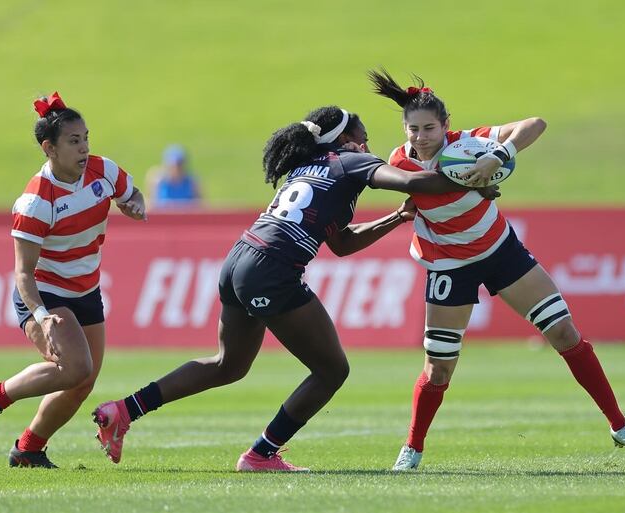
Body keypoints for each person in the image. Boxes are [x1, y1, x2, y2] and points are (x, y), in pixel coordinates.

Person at [91, 105, 499, 472]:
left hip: (240, 258)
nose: (368, 145)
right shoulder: (349, 160)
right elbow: (413, 182)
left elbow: (340, 245)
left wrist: (396, 219)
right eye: (363, 137)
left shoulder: (309, 167)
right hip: (272, 268)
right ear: (343, 140)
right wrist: (474, 176)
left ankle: (123, 411)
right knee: (332, 370)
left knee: (228, 365)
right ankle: (261, 454)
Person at [368, 69, 625, 471]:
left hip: (501, 251)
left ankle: (619, 424)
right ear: (404, 129)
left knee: (564, 332)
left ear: (446, 126)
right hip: (448, 265)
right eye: (413, 129)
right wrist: (469, 186)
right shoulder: (399, 163)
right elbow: (415, 192)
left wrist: (498, 155)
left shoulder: (468, 144)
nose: (421, 136)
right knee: (439, 369)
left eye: (429, 127)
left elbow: (535, 124)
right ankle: (413, 448)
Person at [0, 92, 147, 468]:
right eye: (74, 141)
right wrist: (41, 316)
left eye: (86, 138)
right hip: (44, 293)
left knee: (82, 382)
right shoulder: (35, 202)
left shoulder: (103, 171)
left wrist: (134, 204)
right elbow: (23, 274)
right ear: (50, 149)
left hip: (86, 290)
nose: (84, 148)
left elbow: (131, 192)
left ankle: (28, 450)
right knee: (75, 367)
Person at [146, 144, 202, 210]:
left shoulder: (192, 183)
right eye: (173, 165)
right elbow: (149, 206)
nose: (176, 168)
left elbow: (200, 206)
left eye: (179, 165)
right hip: (164, 218)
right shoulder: (158, 182)